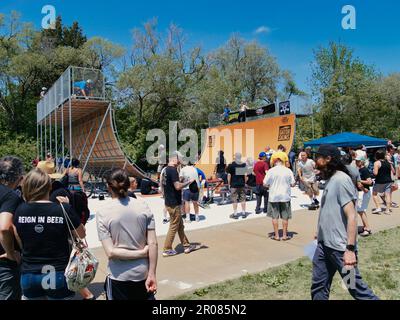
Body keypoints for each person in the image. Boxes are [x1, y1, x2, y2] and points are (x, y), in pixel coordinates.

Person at [311, 144, 378, 300]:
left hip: (340, 249)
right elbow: (330, 210)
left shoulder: (341, 180)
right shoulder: (331, 179)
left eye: (318, 157)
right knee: (318, 287)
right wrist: (320, 231)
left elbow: (352, 216)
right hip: (324, 246)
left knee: (356, 289)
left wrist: (349, 249)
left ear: (328, 159)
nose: (315, 161)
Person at [13, 169, 86, 300]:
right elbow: (81, 234)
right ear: (49, 186)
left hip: (29, 273)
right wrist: (68, 207)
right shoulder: (62, 209)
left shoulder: (20, 210)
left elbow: (18, 237)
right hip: (57, 272)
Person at [96, 169, 158, 300]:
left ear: (108, 186)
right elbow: (152, 243)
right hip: (143, 273)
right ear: (128, 184)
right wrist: (152, 273)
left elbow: (111, 252)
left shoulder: (103, 212)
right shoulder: (143, 206)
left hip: (118, 276)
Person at [162, 152, 198, 257]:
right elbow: (177, 186)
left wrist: (181, 180)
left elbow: (168, 185)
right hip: (174, 203)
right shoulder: (173, 170)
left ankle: (186, 246)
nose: (180, 162)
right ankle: (167, 249)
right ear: (175, 159)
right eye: (180, 160)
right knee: (174, 226)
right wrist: (189, 182)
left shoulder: (165, 170)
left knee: (180, 226)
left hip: (169, 201)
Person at [0, 156, 24, 300]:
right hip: (4, 264)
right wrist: (10, 253)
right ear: (17, 176)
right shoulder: (10, 196)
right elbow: (4, 227)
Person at [263, 152, 296, 241]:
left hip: (273, 196)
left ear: (276, 160)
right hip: (285, 196)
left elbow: (265, 183)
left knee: (274, 217)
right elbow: (293, 184)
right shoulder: (288, 170)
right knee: (285, 217)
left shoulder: (271, 171)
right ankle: (284, 235)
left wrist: (271, 186)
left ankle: (277, 235)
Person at [355, 153, 373, 237]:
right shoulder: (359, 169)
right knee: (361, 211)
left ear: (362, 162)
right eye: (356, 160)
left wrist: (359, 180)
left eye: (358, 161)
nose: (356, 162)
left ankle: (367, 228)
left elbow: (369, 182)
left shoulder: (364, 170)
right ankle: (366, 227)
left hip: (363, 192)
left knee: (361, 211)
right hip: (361, 192)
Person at [372, 150, 394, 214]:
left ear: (376, 156)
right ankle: (387, 210)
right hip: (388, 181)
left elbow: (375, 173)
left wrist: (373, 170)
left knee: (374, 194)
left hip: (380, 181)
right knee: (388, 195)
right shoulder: (388, 162)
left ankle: (378, 207)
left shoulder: (376, 163)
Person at [227, 153, 248, 219]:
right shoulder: (243, 164)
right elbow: (245, 175)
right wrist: (245, 182)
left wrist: (229, 183)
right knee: (243, 199)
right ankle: (244, 213)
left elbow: (229, 175)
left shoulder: (231, 165)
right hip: (242, 184)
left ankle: (235, 214)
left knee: (234, 199)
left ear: (235, 157)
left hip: (234, 185)